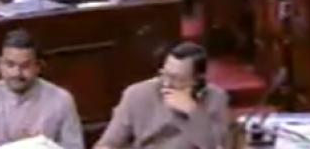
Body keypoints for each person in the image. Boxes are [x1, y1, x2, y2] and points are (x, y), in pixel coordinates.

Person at [0, 29, 84, 149]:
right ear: (0, 64)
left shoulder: (61, 100)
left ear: (38, 66)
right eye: (10, 65)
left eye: (25, 66)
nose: (17, 73)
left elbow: (74, 147)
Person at [95, 42, 230, 149]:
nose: (167, 83)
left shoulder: (216, 98)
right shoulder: (137, 94)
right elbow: (108, 143)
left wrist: (193, 111)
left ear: (197, 79)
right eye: (165, 74)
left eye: (177, 78)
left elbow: (215, 145)